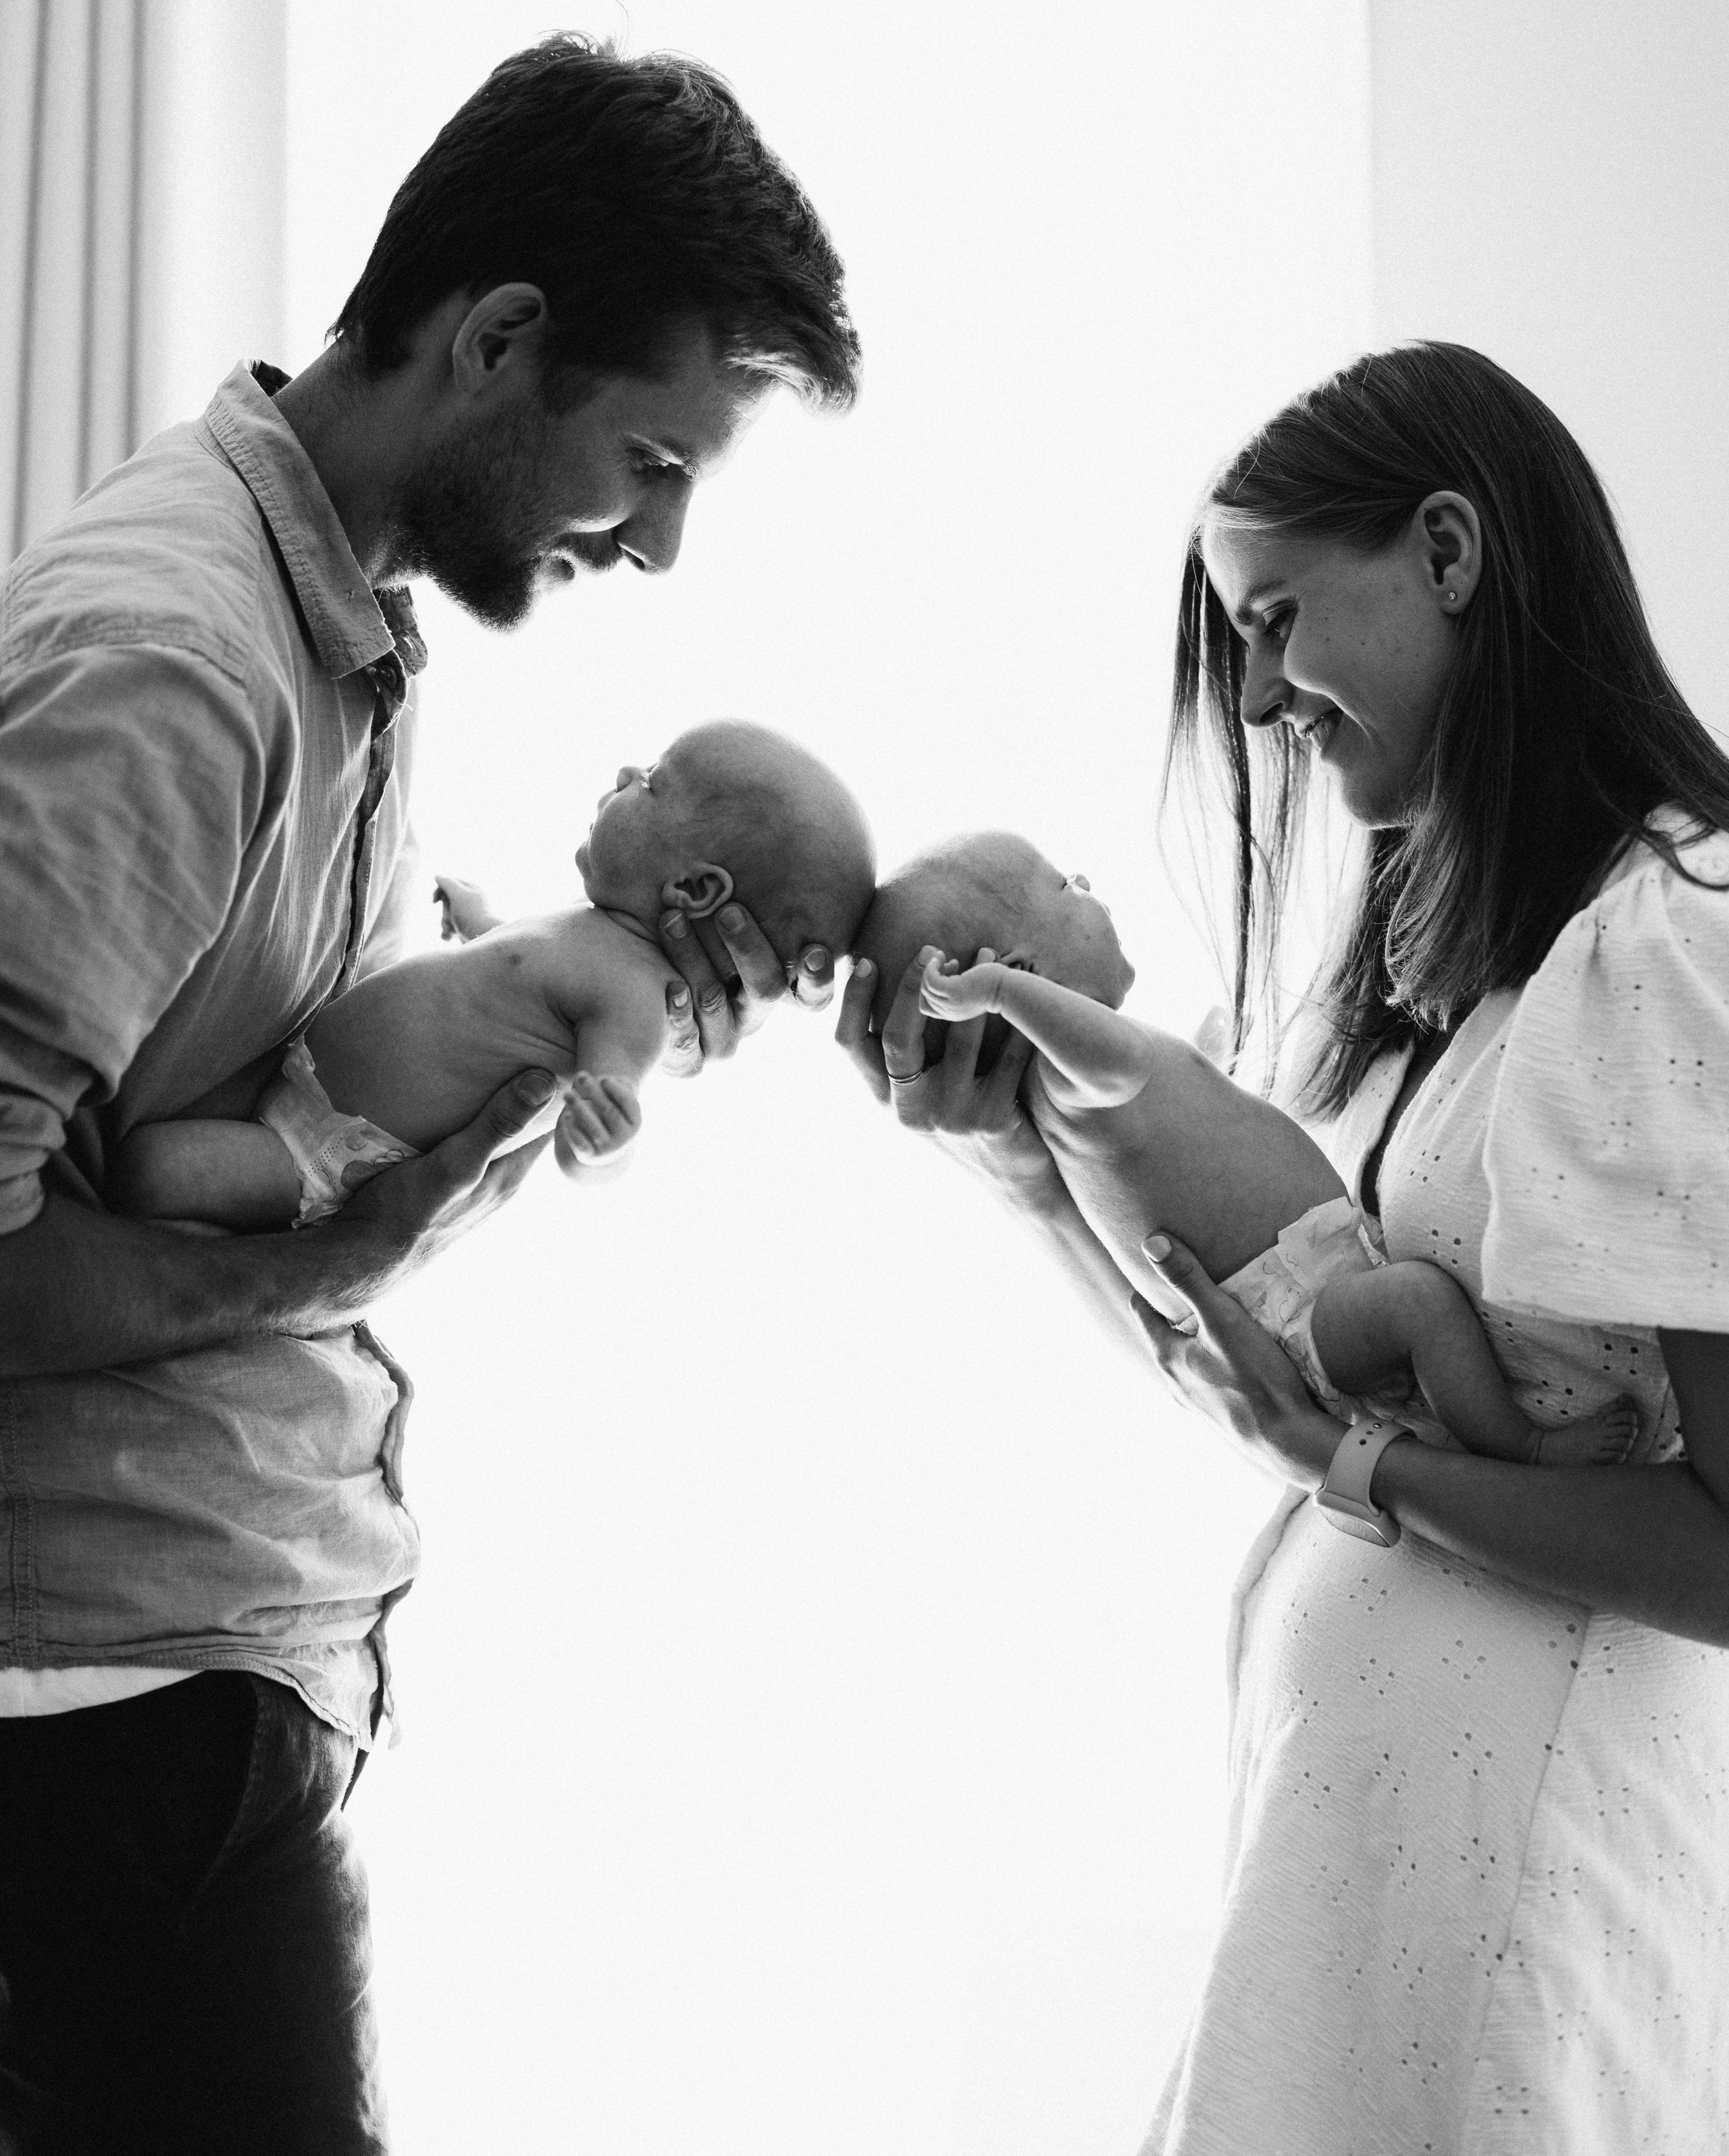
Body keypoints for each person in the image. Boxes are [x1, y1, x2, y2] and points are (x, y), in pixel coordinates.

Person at [0, 34, 859, 2155]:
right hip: (104, 1700)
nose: (653, 544)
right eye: (650, 456)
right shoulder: (181, 665)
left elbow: (244, 1040)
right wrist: (354, 1245)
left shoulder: (336, 635)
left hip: (192, 1664)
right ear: (496, 341)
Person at [839, 343, 1729, 2153]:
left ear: (1452, 553)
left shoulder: (1666, 941)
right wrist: (1027, 1164)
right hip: (1372, 1827)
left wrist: (1361, 1469)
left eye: (1274, 619)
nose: (1254, 702)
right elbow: (1261, 1348)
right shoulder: (1468, 959)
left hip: (1516, 1857)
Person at [880, 832, 1637, 1467]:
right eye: (1062, 887)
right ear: (1018, 975)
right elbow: (1113, 1062)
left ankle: (1474, 1440)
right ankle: (1524, 1446)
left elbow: (1188, 1141)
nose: (1086, 883)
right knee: (1421, 1302)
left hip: (1290, 1312)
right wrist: (1001, 999)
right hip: (1297, 1310)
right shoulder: (1078, 1079)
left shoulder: (1078, 1106)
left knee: (1416, 1319)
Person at [112, 720, 875, 1230]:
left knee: (146, 1172)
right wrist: (477, 917)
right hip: (297, 1076)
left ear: (696, 889)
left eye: (650, 781)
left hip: (320, 1153)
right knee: (139, 1106)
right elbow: (508, 965)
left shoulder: (640, 999)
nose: (620, 774)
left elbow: (605, 1095)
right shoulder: (591, 932)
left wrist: (601, 1145)